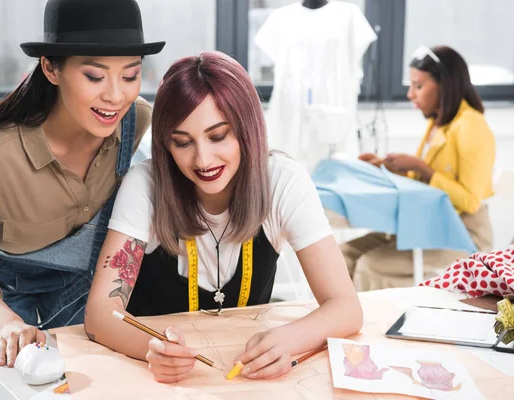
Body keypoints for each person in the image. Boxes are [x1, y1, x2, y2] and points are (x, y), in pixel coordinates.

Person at [84, 51, 362, 383]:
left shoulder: (284, 181)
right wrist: (152, 347)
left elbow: (346, 307)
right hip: (158, 381)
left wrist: (290, 338)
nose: (203, 159)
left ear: (249, 129)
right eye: (182, 143)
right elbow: (100, 314)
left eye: (218, 136)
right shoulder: (145, 186)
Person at [0, 0, 164, 377]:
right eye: (94, 76)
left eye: (130, 75)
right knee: (16, 385)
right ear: (50, 68)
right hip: (1, 289)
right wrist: (6, 324)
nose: (116, 96)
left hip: (81, 281)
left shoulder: (133, 119)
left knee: (91, 384)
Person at [345, 45, 495, 291]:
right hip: (425, 225)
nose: (410, 94)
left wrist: (422, 168)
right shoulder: (438, 124)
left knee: (370, 265)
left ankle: (369, 326)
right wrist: (388, 166)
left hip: (462, 235)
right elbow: (424, 183)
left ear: (444, 85)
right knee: (343, 254)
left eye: (418, 86)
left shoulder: (472, 127)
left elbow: (469, 200)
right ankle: (334, 323)